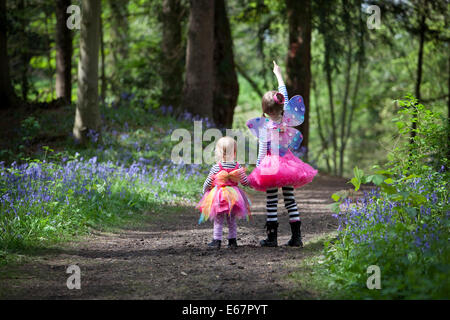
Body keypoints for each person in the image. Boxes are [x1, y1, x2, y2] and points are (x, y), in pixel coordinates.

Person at [246, 61, 317, 247]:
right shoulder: (286, 118)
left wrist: (258, 166)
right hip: (289, 164)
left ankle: (272, 238)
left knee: (271, 202)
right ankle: (297, 237)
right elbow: (283, 94)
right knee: (290, 200)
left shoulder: (265, 127)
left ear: (265, 111)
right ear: (282, 106)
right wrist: (278, 74)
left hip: (271, 167)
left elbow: (262, 150)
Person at [196, 136, 252, 249]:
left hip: (219, 195)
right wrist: (250, 184)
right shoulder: (237, 166)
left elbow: (208, 181)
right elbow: (245, 181)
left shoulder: (216, 167)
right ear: (235, 152)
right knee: (232, 219)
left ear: (219, 153)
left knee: (218, 219)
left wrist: (205, 191)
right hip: (234, 196)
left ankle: (217, 240)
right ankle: (232, 241)